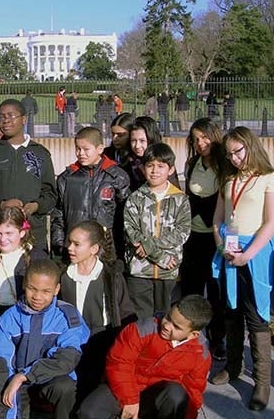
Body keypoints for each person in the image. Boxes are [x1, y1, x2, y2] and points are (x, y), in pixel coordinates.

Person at [211, 126, 274, 411]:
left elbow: (270, 223)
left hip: (255, 254)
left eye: (238, 151)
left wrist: (247, 255)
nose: (234, 158)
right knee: (231, 311)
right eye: (229, 154)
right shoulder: (229, 179)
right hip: (229, 251)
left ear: (250, 146)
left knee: (256, 316)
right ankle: (233, 367)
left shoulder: (268, 178)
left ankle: (261, 382)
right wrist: (222, 245)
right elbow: (217, 220)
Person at [78, 295, 213, 419]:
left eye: (176, 327)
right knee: (89, 413)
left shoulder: (201, 354)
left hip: (157, 398)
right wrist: (129, 400)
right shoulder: (141, 330)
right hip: (123, 387)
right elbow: (119, 363)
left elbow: (193, 391)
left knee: (177, 395)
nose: (166, 325)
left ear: (193, 334)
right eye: (168, 317)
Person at [0, 258, 90, 419]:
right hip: (17, 381)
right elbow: (3, 366)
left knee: (65, 387)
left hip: (49, 380)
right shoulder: (8, 318)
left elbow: (66, 359)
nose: (37, 296)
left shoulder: (67, 316)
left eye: (46, 291)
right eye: (32, 288)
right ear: (24, 285)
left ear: (56, 289)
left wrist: (26, 375)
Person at [59, 221, 136, 404]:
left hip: (100, 340)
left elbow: (125, 311)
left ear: (94, 248)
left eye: (77, 244)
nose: (70, 248)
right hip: (70, 340)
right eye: (69, 242)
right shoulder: (63, 273)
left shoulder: (110, 276)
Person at [0, 99, 57, 251]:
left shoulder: (40, 153)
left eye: (11, 116)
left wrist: (35, 206)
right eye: (1, 117)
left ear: (23, 119)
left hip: (33, 234)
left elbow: (51, 195)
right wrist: (1, 204)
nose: (5, 121)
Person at [123, 143, 191, 319]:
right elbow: (131, 230)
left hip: (168, 271)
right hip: (139, 269)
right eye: (150, 166)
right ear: (143, 169)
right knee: (141, 320)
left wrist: (152, 248)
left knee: (165, 318)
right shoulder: (135, 198)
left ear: (171, 170)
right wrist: (159, 256)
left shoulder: (180, 199)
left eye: (160, 166)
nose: (154, 171)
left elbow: (182, 232)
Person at [179, 119, 227, 360]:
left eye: (204, 137)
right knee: (191, 290)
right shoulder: (192, 164)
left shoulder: (226, 165)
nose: (200, 143)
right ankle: (191, 337)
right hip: (193, 237)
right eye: (196, 139)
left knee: (217, 292)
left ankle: (218, 339)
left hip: (217, 239)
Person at [51, 127, 130, 259]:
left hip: (105, 250)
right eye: (78, 149)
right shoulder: (66, 178)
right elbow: (58, 214)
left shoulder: (116, 176)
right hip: (74, 249)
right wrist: (59, 244)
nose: (81, 153)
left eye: (86, 149)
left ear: (100, 149)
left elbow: (126, 215)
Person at [122, 116, 180, 192]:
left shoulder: (163, 158)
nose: (137, 146)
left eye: (142, 141)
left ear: (151, 139)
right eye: (133, 141)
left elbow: (174, 189)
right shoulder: (129, 161)